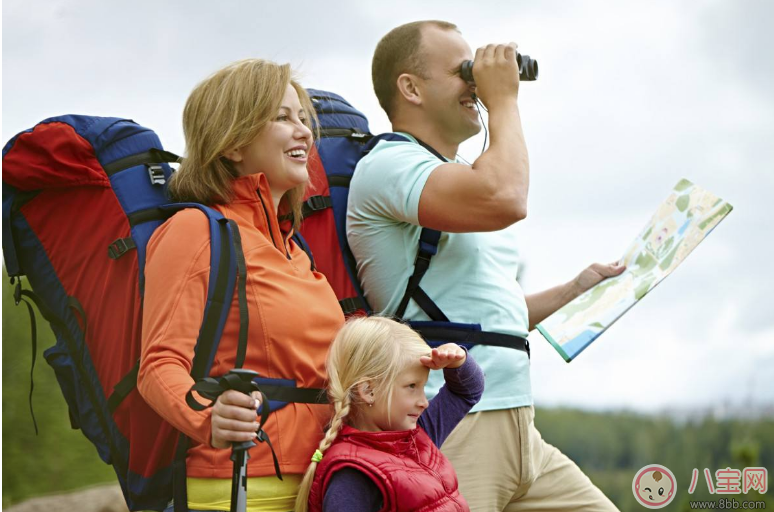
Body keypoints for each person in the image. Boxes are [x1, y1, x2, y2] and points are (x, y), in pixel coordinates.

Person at [347, 21, 623, 511]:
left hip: (519, 423)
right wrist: (505, 101)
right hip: (452, 419)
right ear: (409, 87)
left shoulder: (456, 181)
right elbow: (507, 197)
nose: (476, 84)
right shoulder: (389, 166)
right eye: (463, 72)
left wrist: (574, 290)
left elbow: (489, 318)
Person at [138, 59, 345, 512]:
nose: (305, 132)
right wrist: (209, 416)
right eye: (282, 117)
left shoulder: (296, 250)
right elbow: (158, 364)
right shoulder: (195, 230)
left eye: (304, 118)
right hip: (242, 483)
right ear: (233, 143)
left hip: (321, 478)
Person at [294, 316, 485, 512]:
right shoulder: (352, 473)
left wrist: (458, 360)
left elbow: (467, 391)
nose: (424, 402)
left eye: (423, 386)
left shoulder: (419, 434)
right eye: (412, 386)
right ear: (369, 391)